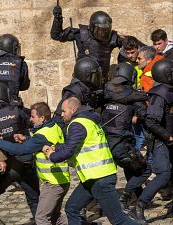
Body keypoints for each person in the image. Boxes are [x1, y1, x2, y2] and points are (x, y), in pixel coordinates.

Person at [44, 97, 139, 225]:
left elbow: (68, 152)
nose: (61, 114)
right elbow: (76, 144)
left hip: (100, 178)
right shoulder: (88, 120)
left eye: (63, 111)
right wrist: (56, 147)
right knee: (72, 208)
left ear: (72, 110)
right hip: (92, 177)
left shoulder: (76, 124)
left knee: (118, 219)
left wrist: (51, 156)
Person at [0, 82, 39, 225]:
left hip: (4, 168)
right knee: (35, 198)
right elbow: (33, 123)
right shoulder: (17, 110)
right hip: (26, 162)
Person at [0, 102, 70, 225]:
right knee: (55, 216)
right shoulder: (53, 126)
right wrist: (26, 138)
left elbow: (20, 150)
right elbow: (42, 141)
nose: (30, 119)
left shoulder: (42, 134)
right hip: (61, 180)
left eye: (33, 116)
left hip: (53, 184)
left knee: (41, 218)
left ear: (42, 118)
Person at [131, 59, 173, 224]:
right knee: (163, 174)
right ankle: (140, 205)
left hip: (168, 139)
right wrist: (167, 136)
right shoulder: (159, 94)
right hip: (161, 140)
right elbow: (151, 121)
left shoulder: (168, 90)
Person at [101, 63, 147, 194]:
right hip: (122, 142)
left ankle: (137, 194)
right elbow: (145, 116)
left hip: (104, 141)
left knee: (122, 170)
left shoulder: (105, 93)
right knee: (143, 169)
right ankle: (126, 197)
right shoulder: (133, 96)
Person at [50, 5, 122, 80]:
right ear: (92, 27)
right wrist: (57, 19)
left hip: (101, 80)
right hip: (81, 80)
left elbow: (128, 45)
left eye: (105, 31)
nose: (102, 34)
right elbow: (57, 35)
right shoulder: (82, 34)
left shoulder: (112, 38)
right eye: (100, 31)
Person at [54, 57, 104, 126]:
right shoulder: (73, 93)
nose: (97, 79)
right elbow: (60, 119)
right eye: (95, 76)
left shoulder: (85, 90)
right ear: (86, 76)